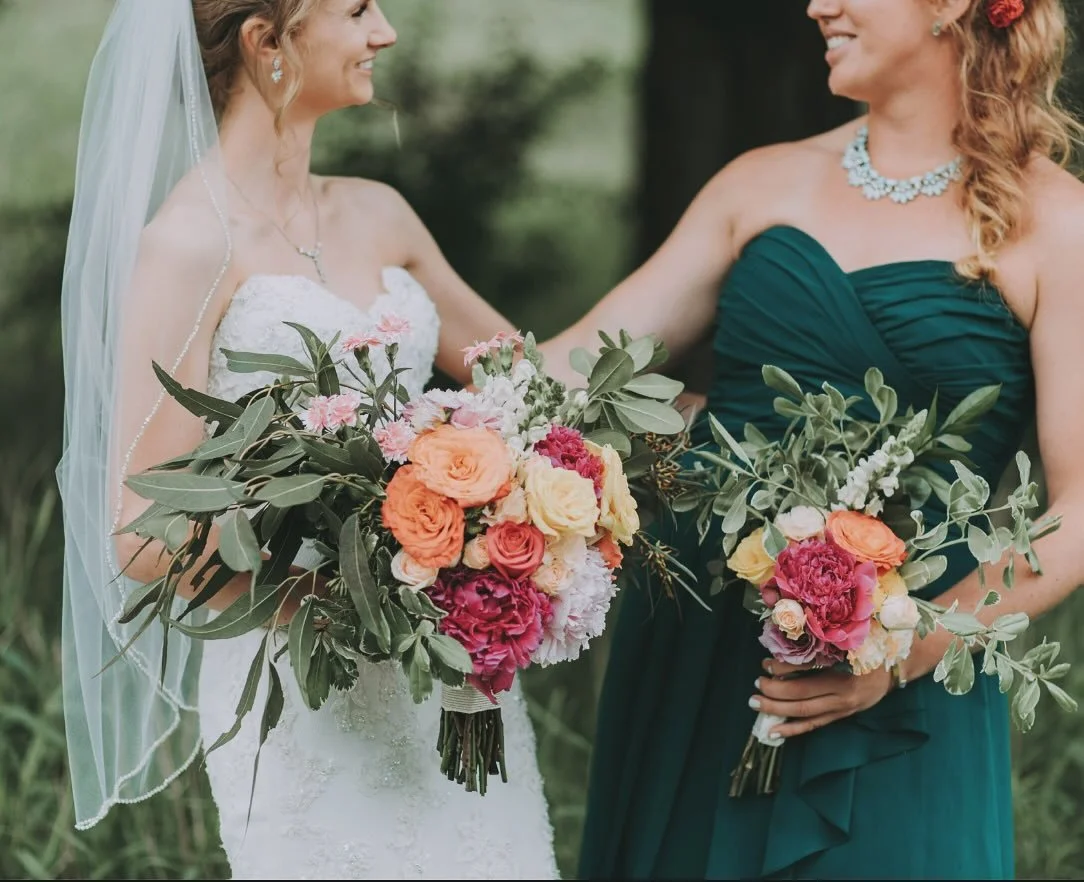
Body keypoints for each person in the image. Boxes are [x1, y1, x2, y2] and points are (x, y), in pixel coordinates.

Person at [540, 0, 1084, 877]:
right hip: (700, 651)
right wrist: (397, 406)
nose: (817, 5)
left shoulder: (1059, 224)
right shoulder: (758, 183)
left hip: (897, 680)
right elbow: (573, 374)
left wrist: (901, 654)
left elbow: (1080, 512)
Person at [57, 1, 559, 878]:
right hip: (305, 692)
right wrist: (344, 585)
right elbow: (141, 529)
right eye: (358, 8)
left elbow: (532, 389)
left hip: (452, 678)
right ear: (266, 42)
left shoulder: (382, 212)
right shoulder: (187, 245)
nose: (386, 32)